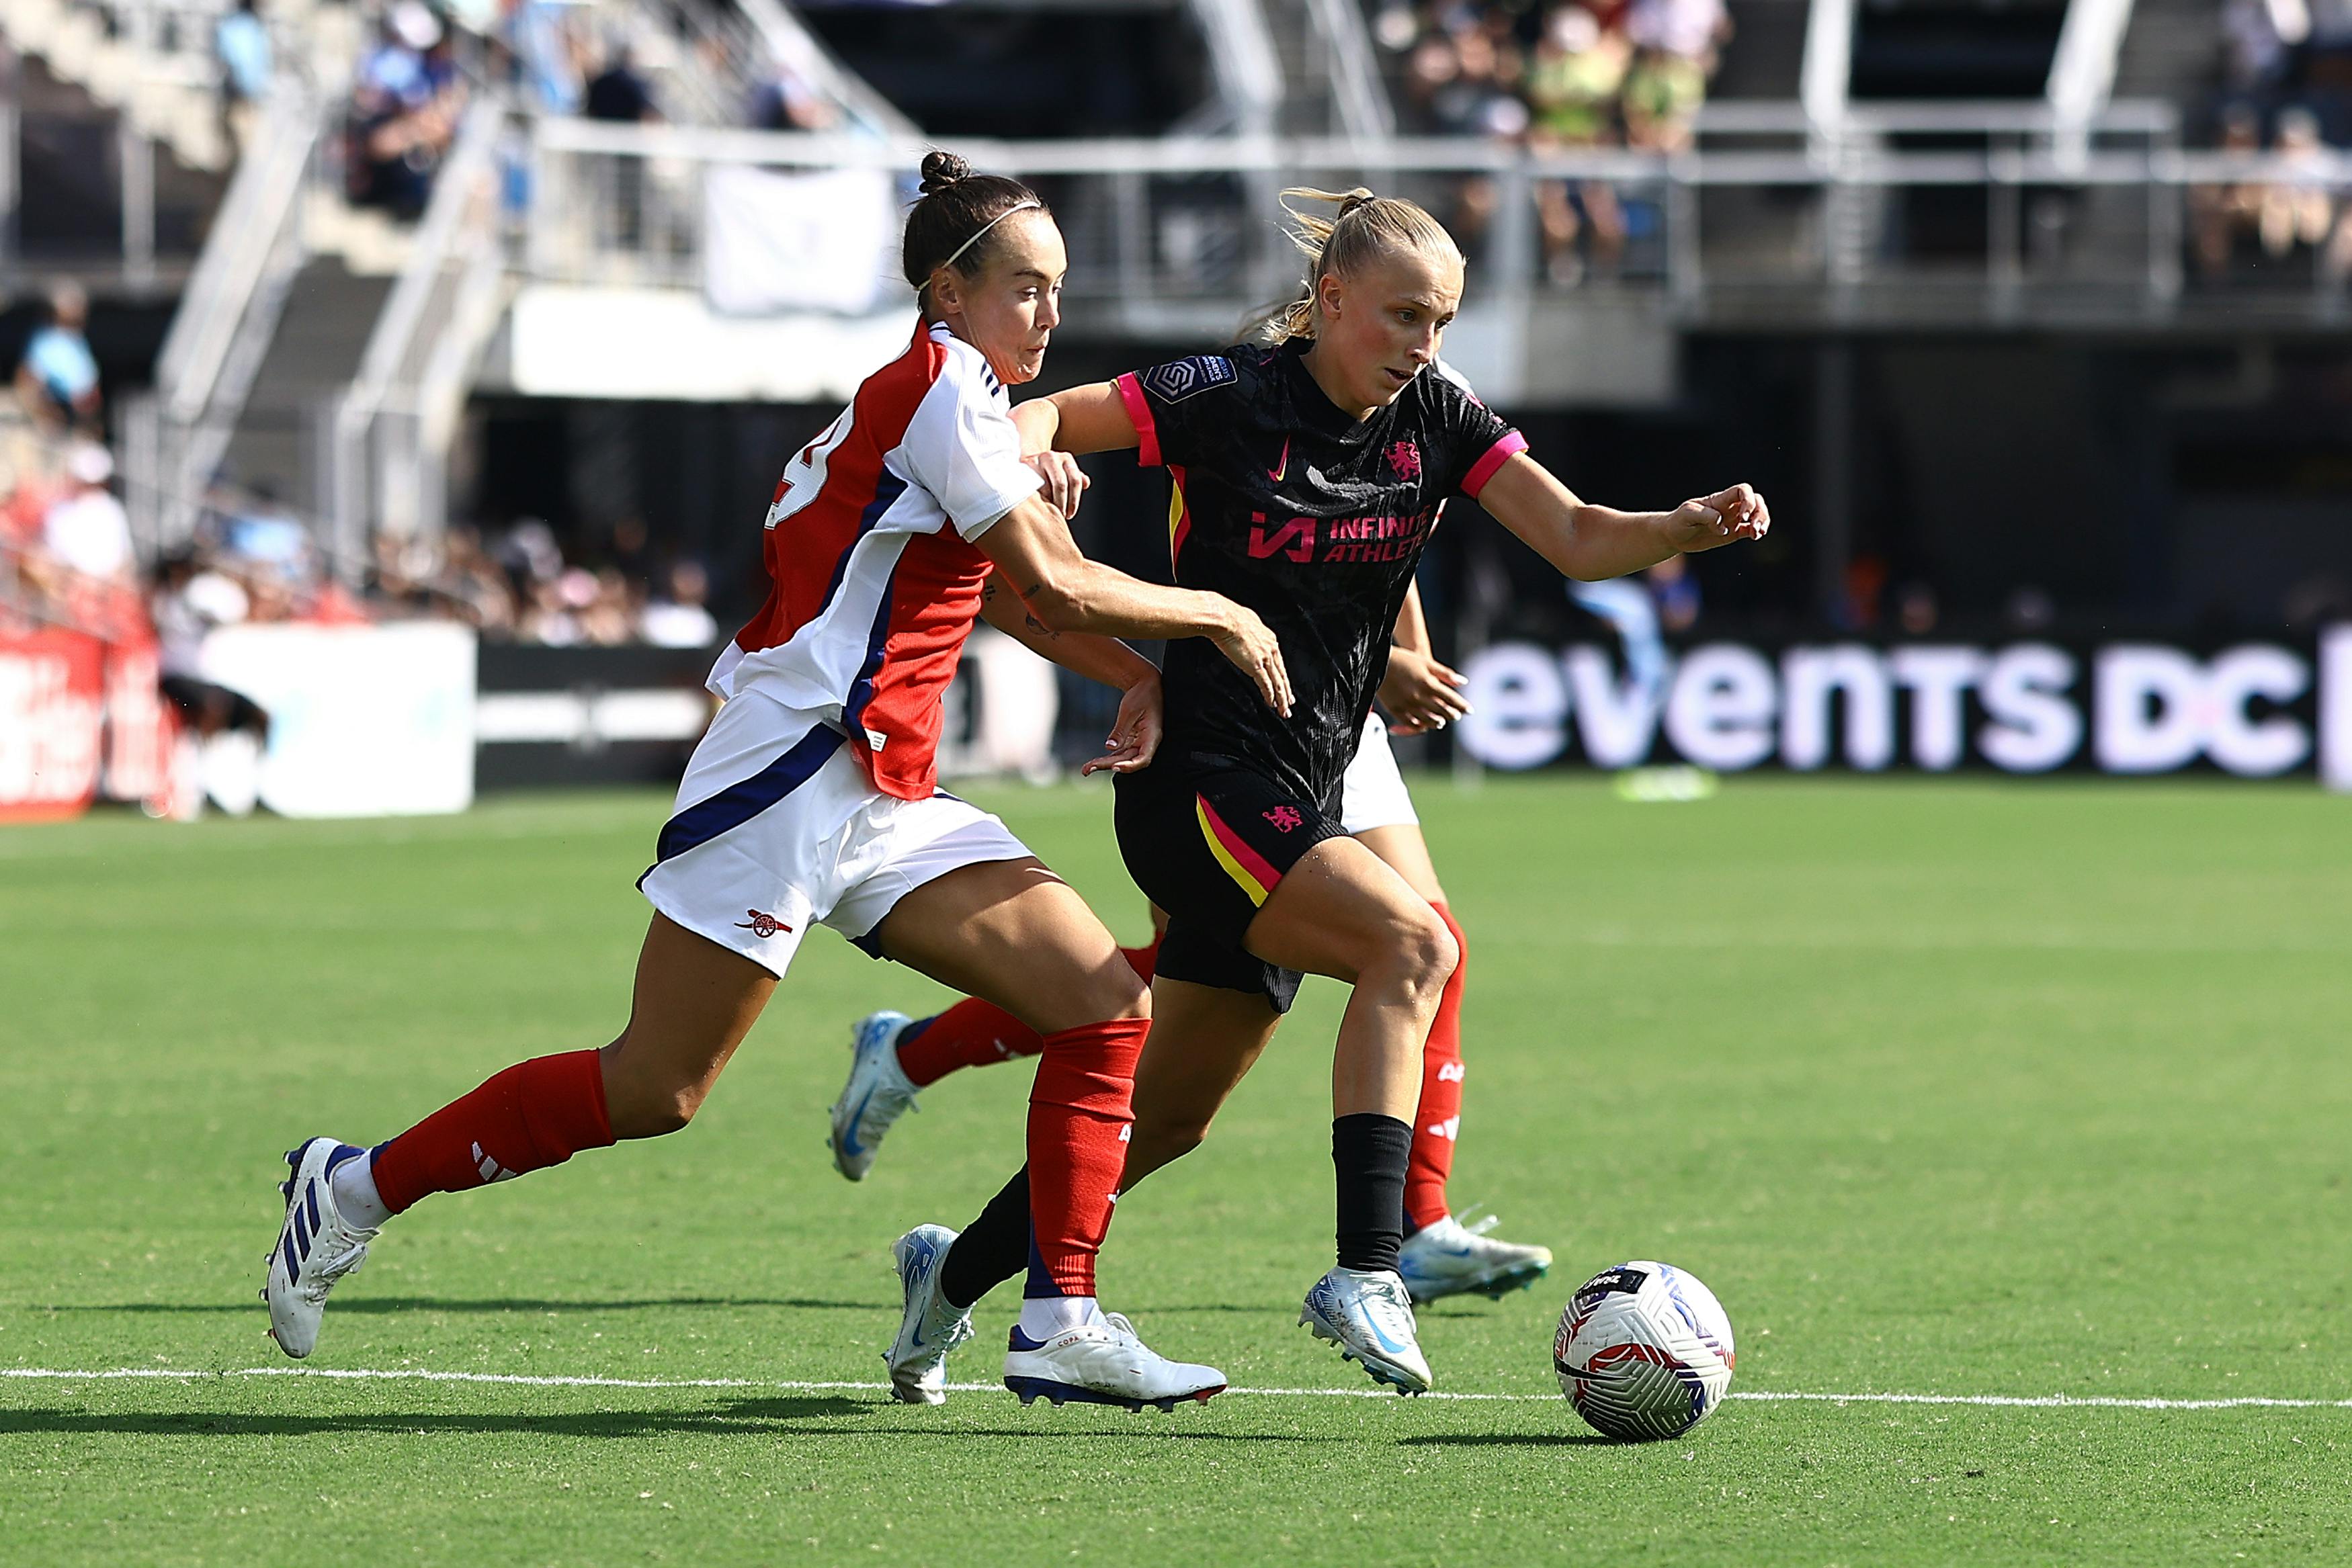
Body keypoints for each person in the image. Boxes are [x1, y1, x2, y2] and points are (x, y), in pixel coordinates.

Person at [261, 152, 1294, 1413]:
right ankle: (355, 1184)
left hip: (886, 785)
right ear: (946, 293)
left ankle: (1060, 1315)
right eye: (1023, 287)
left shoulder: (952, 396)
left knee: (1098, 1003)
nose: (1048, 315)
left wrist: (1135, 669)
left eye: (1058, 291)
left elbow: (1024, 602)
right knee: (658, 1087)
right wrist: (1215, 619)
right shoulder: (943, 395)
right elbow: (1058, 585)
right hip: (794, 768)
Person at [886, 187, 1768, 1397]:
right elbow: (1034, 409)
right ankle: (1371, 1263)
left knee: (1169, 1117)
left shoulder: (1440, 418)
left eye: (1443, 319)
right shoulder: (1226, 396)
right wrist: (1035, 461)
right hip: (1201, 780)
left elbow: (1573, 533)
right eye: (1403, 313)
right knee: (1416, 942)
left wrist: (1682, 525)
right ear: (1332, 301)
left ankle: (948, 1275)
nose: (1423, 342)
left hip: (1301, 786)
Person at [828, 581, 1557, 1308]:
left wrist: (1396, 649)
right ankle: (924, 1078)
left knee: (1419, 947)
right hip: (1243, 707)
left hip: (1343, 712)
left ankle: (1416, 1222)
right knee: (1177, 994)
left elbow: (1404, 514)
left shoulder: (1413, 464)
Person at [15, 285, 101, 434]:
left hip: (80, 416)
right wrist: (48, 414)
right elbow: (29, 382)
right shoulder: (45, 341)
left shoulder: (78, 340)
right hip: (54, 419)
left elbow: (88, 386)